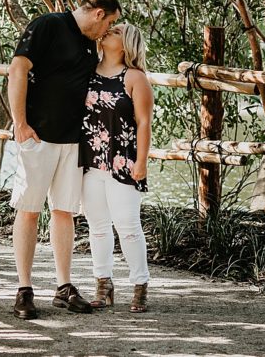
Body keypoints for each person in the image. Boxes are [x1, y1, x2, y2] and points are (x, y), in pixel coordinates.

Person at [8, 0, 122, 320]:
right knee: (29, 211)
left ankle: (63, 287)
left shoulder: (91, 44)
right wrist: (20, 124)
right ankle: (25, 289)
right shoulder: (47, 25)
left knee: (64, 212)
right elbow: (17, 70)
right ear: (99, 13)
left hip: (73, 141)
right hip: (38, 136)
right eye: (110, 22)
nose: (108, 30)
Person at [79, 23, 153, 313]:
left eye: (117, 30)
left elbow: (144, 123)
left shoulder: (135, 77)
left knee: (128, 227)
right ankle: (103, 284)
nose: (109, 31)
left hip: (123, 161)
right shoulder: (88, 72)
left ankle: (140, 286)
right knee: (97, 228)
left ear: (126, 44)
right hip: (90, 162)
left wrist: (142, 161)